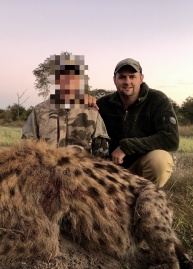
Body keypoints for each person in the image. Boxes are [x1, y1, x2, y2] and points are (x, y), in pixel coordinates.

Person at [92, 58, 179, 187]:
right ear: (114, 80)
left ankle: (147, 196)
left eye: (132, 77)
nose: (127, 82)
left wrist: (126, 147)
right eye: (122, 77)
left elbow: (170, 139)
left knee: (160, 160)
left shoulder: (157, 100)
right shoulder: (103, 104)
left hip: (140, 168)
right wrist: (83, 101)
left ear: (141, 78)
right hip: (110, 170)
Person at [22, 54, 109, 157]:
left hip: (82, 171)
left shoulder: (92, 113)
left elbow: (102, 158)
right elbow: (26, 152)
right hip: (46, 171)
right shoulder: (39, 111)